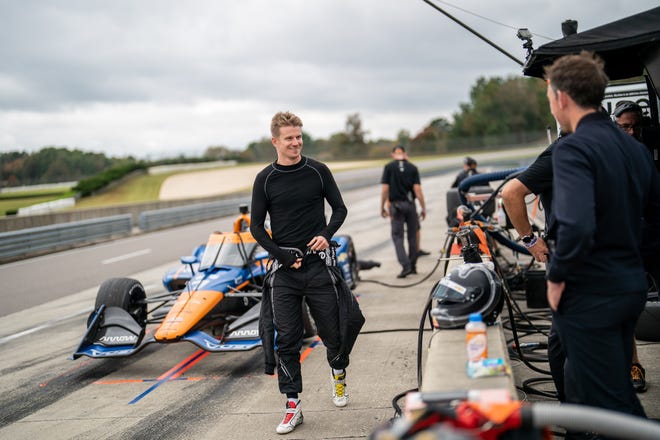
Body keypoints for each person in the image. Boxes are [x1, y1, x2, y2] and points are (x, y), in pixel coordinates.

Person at [544, 52, 660, 435]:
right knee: (598, 392)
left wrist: (557, 277)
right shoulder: (635, 149)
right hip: (629, 286)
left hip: (591, 291)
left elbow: (575, 227)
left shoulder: (572, 148)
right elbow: (655, 218)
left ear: (561, 97)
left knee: (608, 402)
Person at [250, 111, 363, 435]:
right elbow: (256, 227)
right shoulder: (265, 179)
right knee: (286, 339)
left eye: (299, 136)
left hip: (318, 268)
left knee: (335, 333)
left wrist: (326, 234)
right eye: (289, 138)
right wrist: (282, 255)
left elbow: (339, 208)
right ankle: (292, 405)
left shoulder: (317, 171)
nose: (296, 142)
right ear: (275, 141)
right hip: (285, 273)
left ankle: (338, 372)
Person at [500, 133, 565, 401]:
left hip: (591, 263)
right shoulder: (566, 150)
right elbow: (511, 192)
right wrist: (530, 240)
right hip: (585, 262)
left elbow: (511, 192)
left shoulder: (571, 148)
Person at [380, 145, 427, 278]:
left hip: (396, 206)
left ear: (393, 155)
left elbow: (385, 189)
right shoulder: (412, 167)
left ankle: (405, 266)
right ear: (405, 154)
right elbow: (417, 189)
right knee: (412, 236)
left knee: (397, 237)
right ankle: (412, 266)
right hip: (410, 205)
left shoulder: (389, 167)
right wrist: (423, 207)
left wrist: (382, 207)